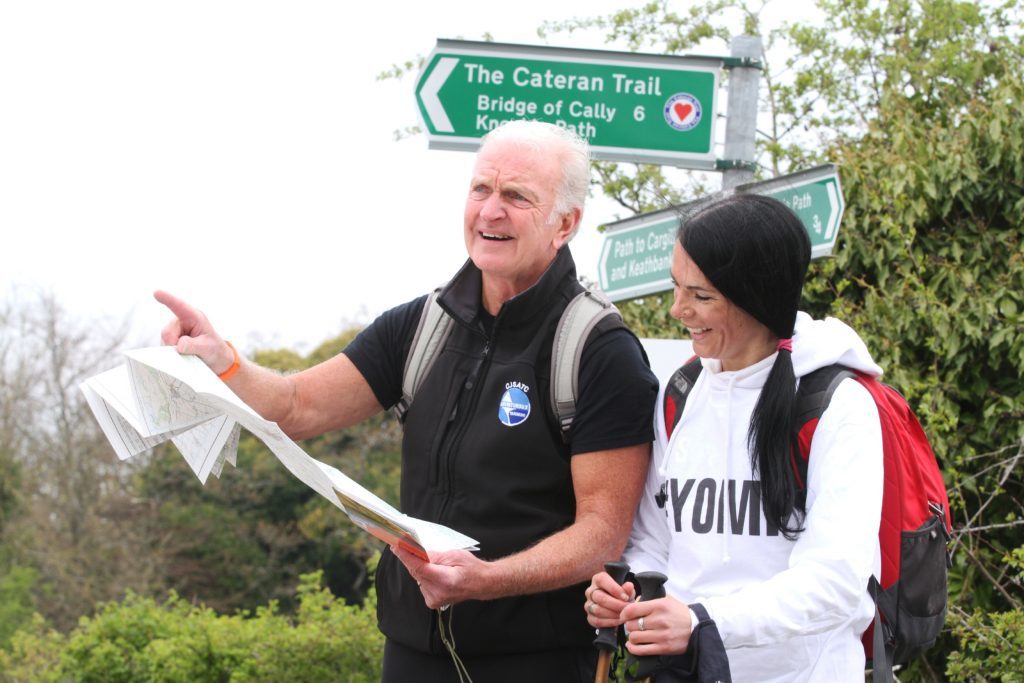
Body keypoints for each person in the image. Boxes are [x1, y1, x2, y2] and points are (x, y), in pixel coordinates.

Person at [156, 120, 658, 683]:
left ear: (564, 223)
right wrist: (223, 359)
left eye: (517, 196)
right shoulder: (421, 326)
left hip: (536, 659)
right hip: (412, 651)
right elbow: (297, 406)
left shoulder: (600, 351)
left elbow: (603, 534)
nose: (491, 211)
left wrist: (483, 581)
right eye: (480, 189)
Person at [584, 194, 884, 682]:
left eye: (701, 296)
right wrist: (631, 591)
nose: (679, 310)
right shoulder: (680, 392)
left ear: (758, 296)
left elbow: (836, 582)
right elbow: (655, 541)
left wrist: (705, 622)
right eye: (676, 288)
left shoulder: (836, 404)